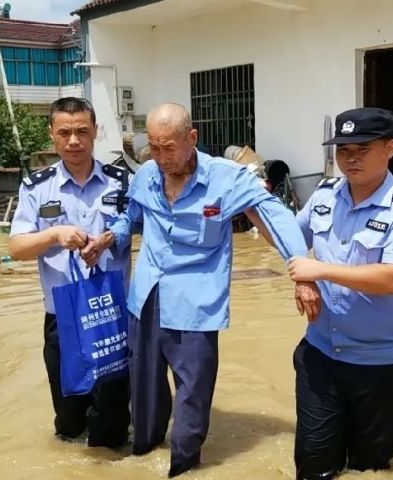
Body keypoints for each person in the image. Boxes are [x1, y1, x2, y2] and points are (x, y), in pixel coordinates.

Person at [81, 103, 319, 477]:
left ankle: (184, 466)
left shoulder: (227, 178)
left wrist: (302, 273)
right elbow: (132, 217)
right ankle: (144, 457)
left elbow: (277, 217)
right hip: (145, 295)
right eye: (154, 149)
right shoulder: (146, 175)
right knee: (144, 391)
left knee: (192, 393)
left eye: (169, 148)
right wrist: (109, 238)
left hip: (196, 302)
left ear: (192, 138)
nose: (161, 158)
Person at [287, 107, 393, 480]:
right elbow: (289, 235)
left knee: (369, 469)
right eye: (343, 149)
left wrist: (318, 270)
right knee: (313, 465)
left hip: (380, 367)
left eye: (362, 148)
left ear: (390, 148)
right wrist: (302, 278)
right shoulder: (323, 196)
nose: (350, 158)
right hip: (320, 357)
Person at [8, 97, 131, 448]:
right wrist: (53, 235)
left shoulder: (121, 183)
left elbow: (146, 226)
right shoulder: (36, 187)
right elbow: (15, 248)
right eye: (65, 132)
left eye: (82, 132)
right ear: (52, 135)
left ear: (95, 133)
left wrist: (108, 240)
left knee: (112, 421)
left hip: (111, 318)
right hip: (61, 320)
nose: (73, 141)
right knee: (69, 422)